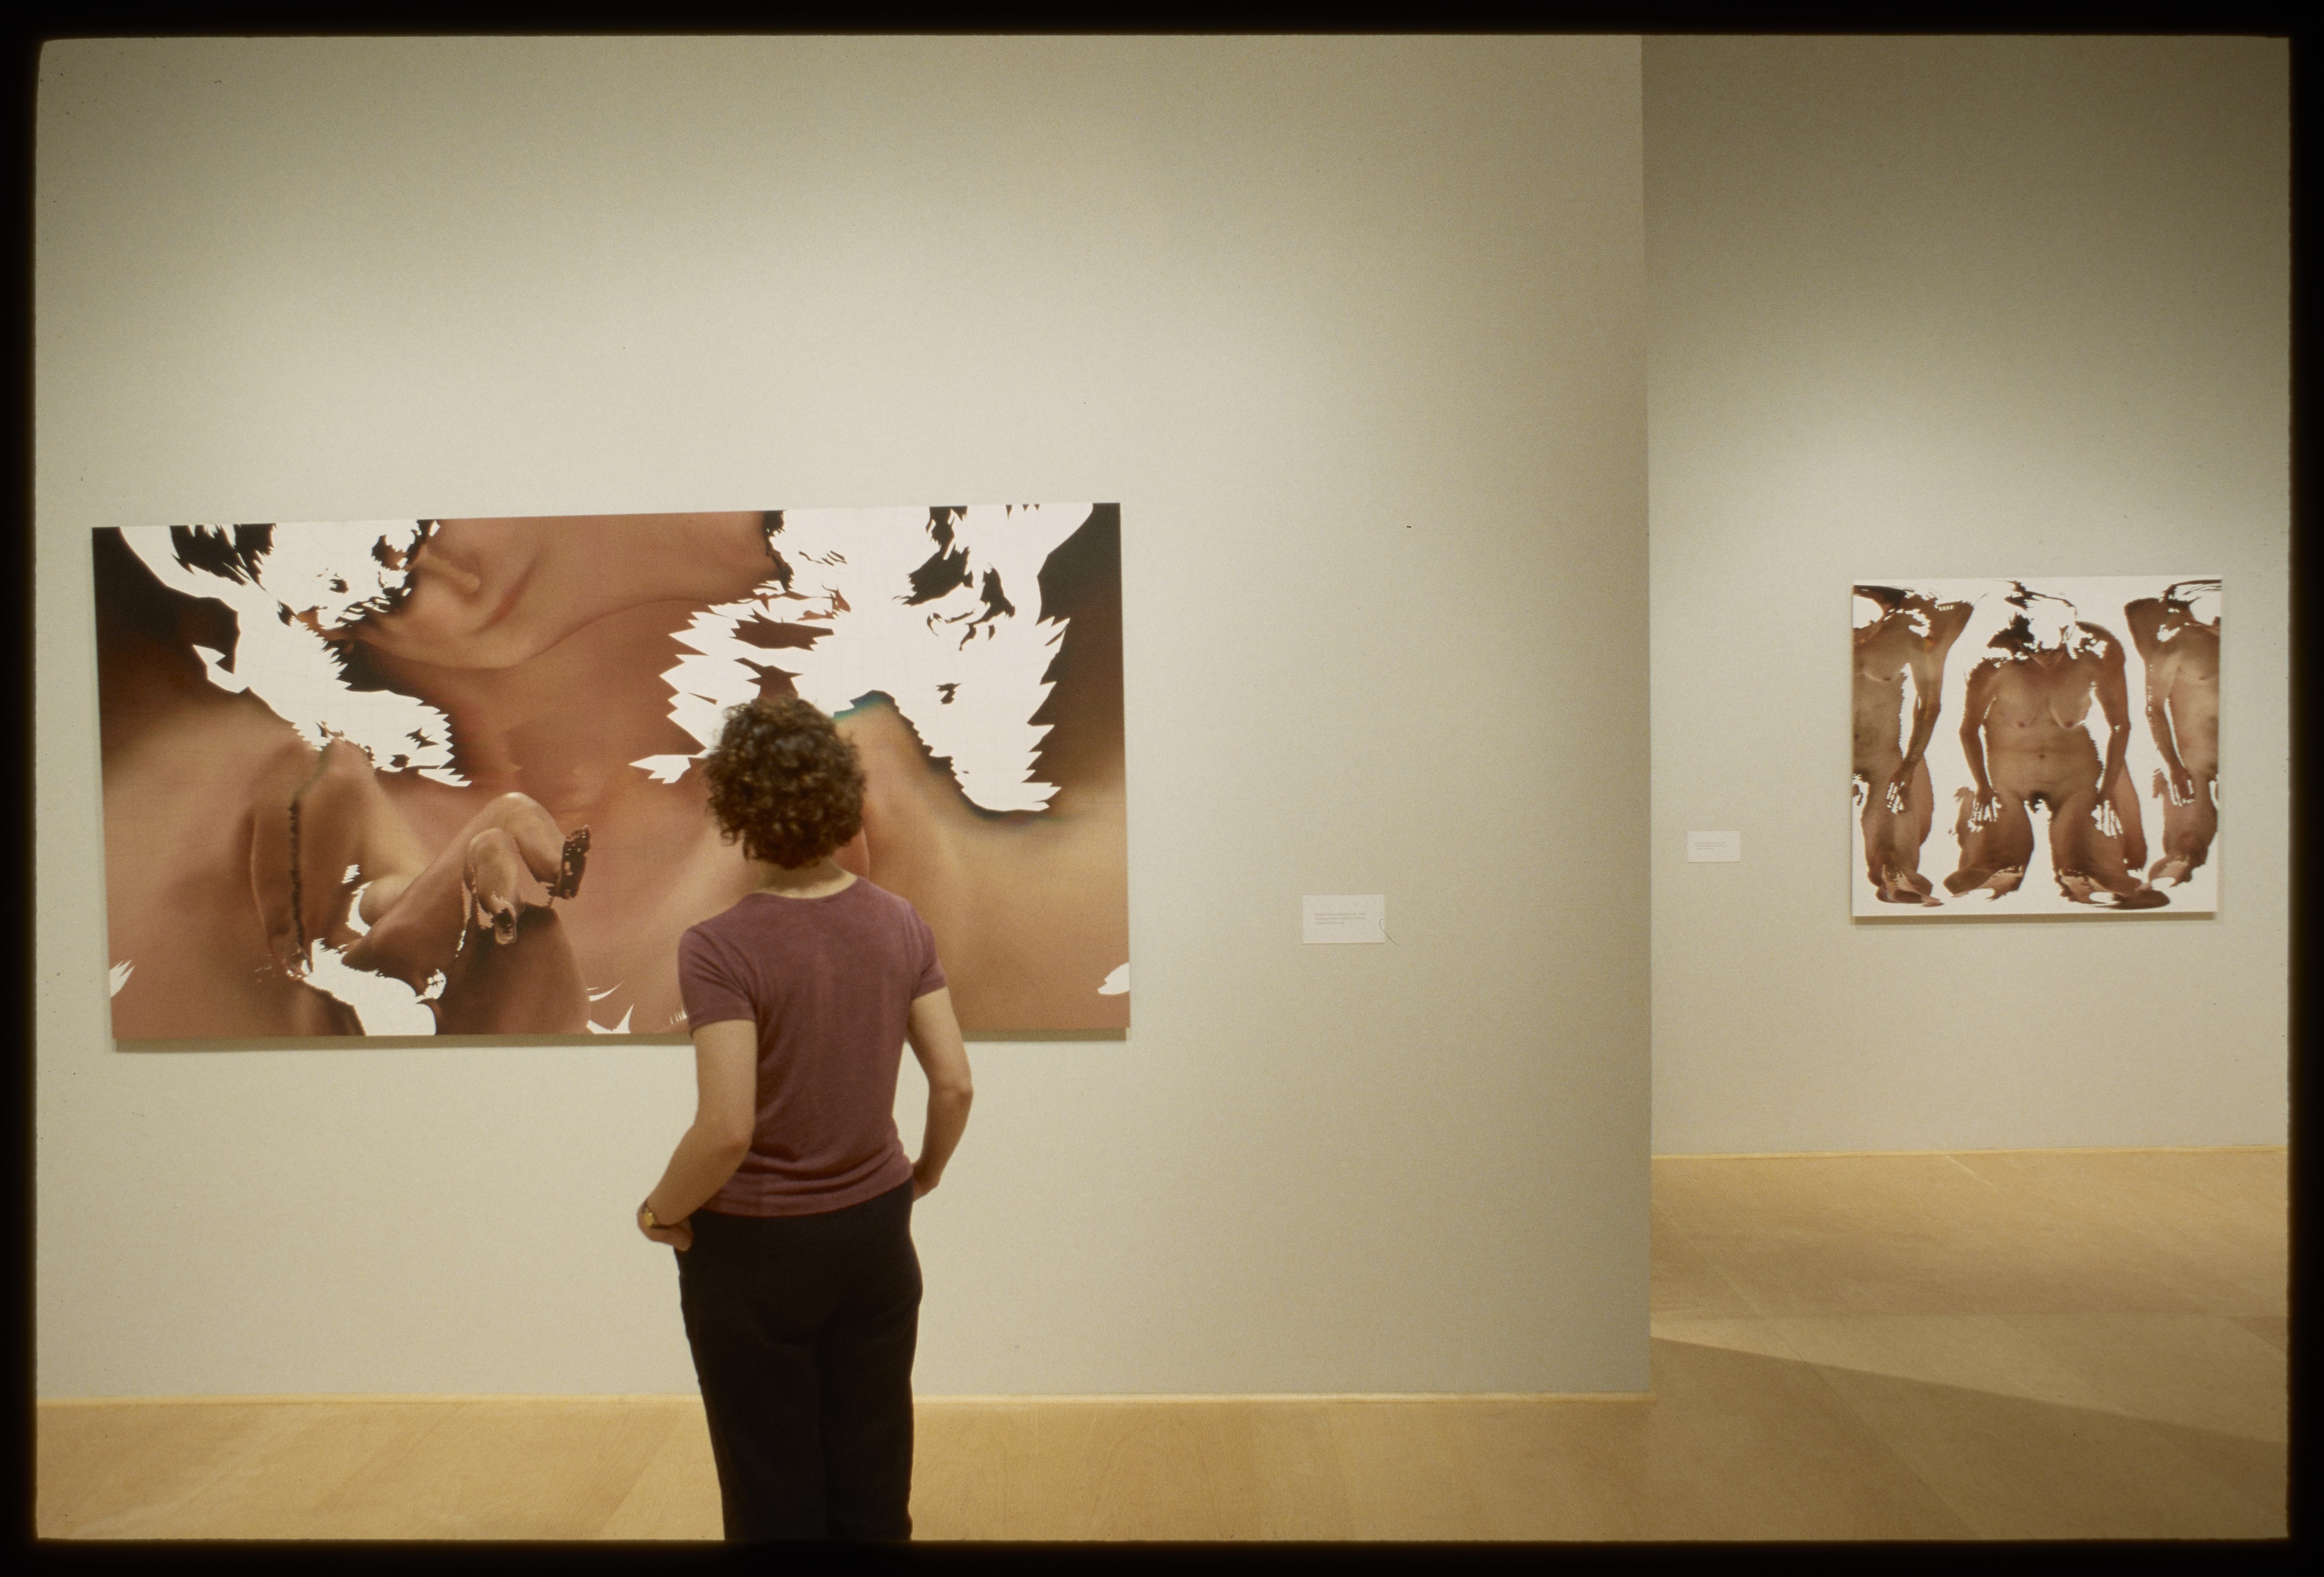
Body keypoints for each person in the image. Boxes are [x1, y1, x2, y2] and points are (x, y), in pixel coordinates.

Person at [636, 695, 974, 1541]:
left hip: (755, 1250)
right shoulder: (900, 923)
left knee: (772, 1493)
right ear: (839, 795)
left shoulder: (718, 946)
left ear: (737, 808)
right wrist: (924, 1171)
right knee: (873, 1481)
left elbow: (726, 1130)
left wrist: (660, 1209)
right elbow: (955, 1083)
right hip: (875, 1232)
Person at [1945, 584, 2166, 908]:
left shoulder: (2092, 662)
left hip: (2073, 776)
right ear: (2020, 640)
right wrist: (1982, 785)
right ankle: (1990, 866)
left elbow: (2121, 725)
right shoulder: (1994, 667)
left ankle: (2090, 873)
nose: (2047, 657)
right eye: (2037, 648)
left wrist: (2107, 790)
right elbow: (1968, 729)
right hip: (2010, 776)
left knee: (2082, 864)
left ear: (2067, 633)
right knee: (2001, 862)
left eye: (2054, 649)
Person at [1851, 585, 1974, 905]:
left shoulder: (1906, 642)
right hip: (1833, 757)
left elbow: (1930, 706)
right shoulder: (1830, 640)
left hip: (1882, 755)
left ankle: (1897, 878)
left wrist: (1910, 764)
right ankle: (1896, 880)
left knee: (1897, 819)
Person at [2122, 579, 2222, 886]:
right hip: (2195, 760)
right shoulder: (2179, 644)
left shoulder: (2253, 638)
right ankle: (2182, 859)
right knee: (2189, 838)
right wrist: (2172, 765)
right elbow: (2153, 708)